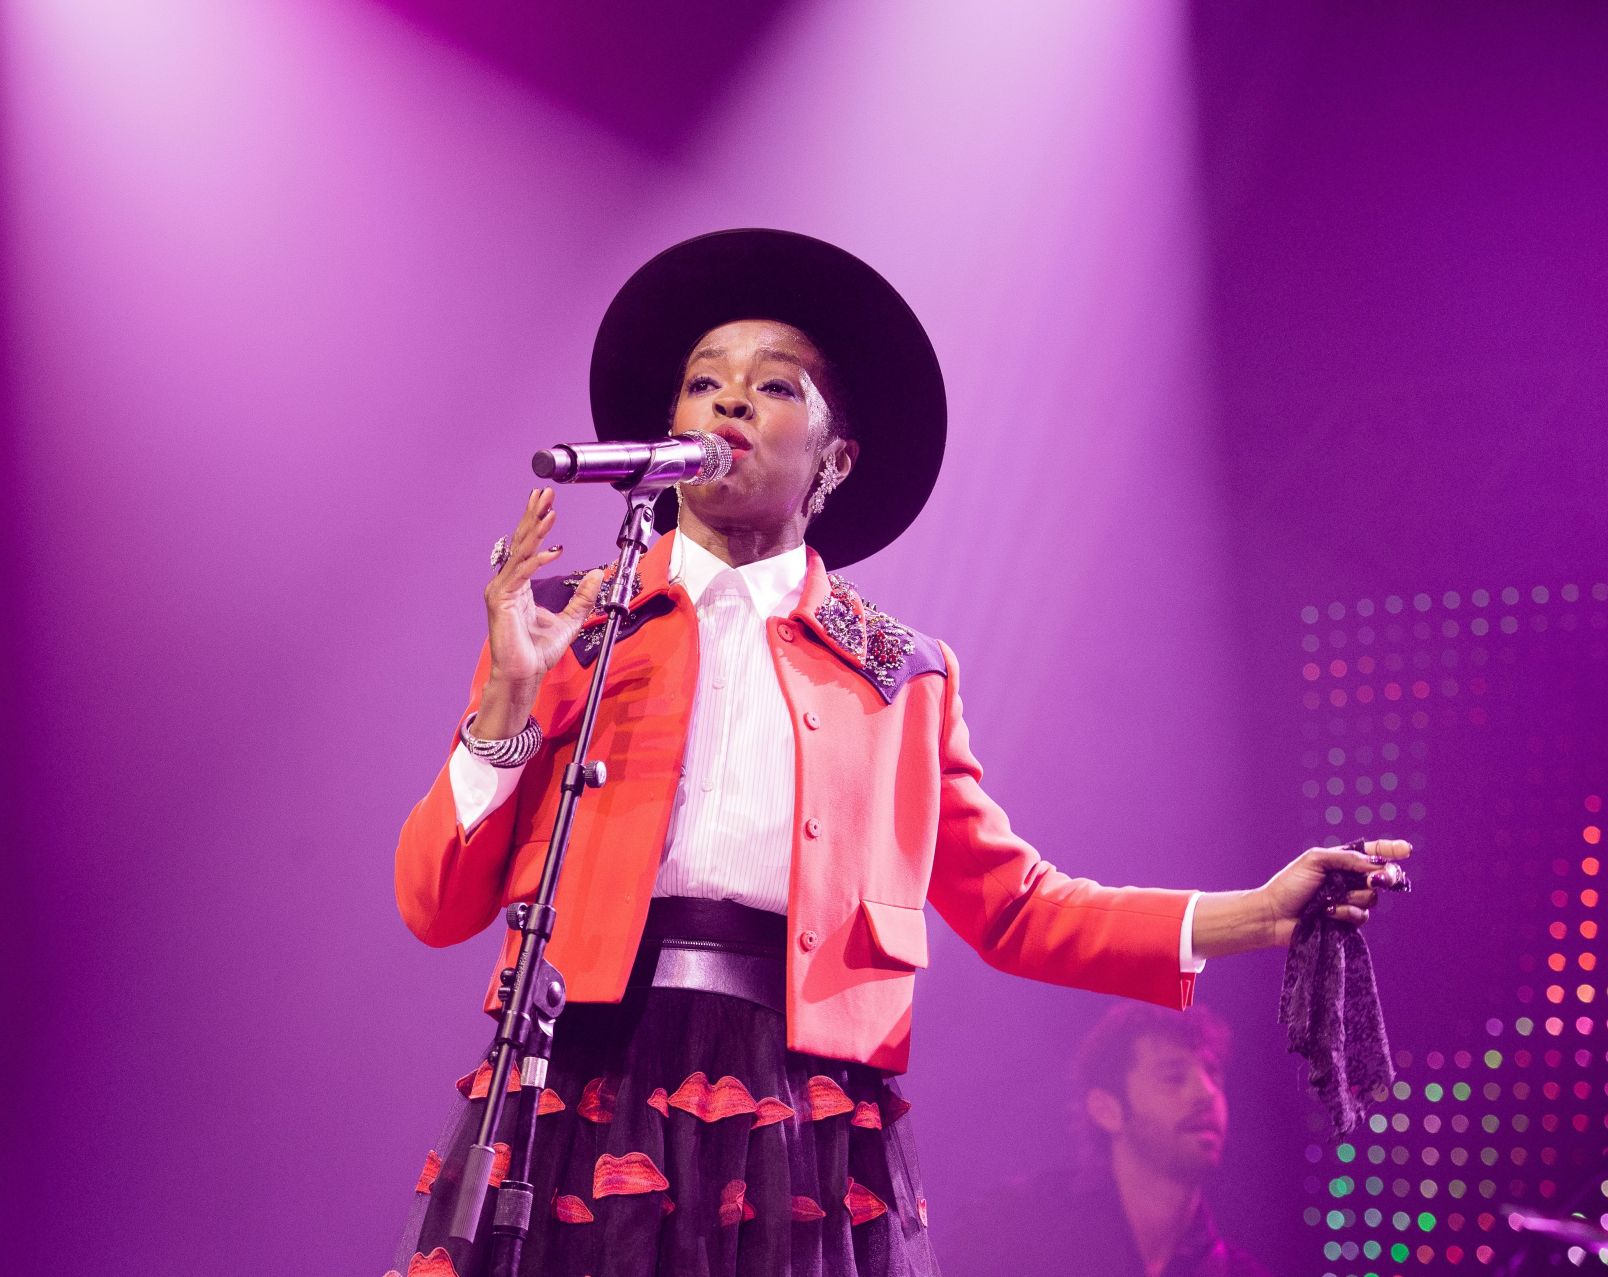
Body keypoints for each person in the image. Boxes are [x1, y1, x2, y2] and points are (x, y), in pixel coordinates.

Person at [385, 229, 1409, 1277]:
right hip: (590, 1074)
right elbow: (436, 904)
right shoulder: (571, 623)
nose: (727, 403)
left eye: (772, 386)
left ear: (834, 459)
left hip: (799, 1102)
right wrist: (509, 701)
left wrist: (1257, 913)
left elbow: (1017, 907)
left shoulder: (900, 672)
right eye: (702, 383)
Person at [943, 1004, 1271, 1277]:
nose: (1206, 1093)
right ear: (1106, 1109)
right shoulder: (1010, 1229)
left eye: (1213, 1075)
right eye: (1173, 1076)